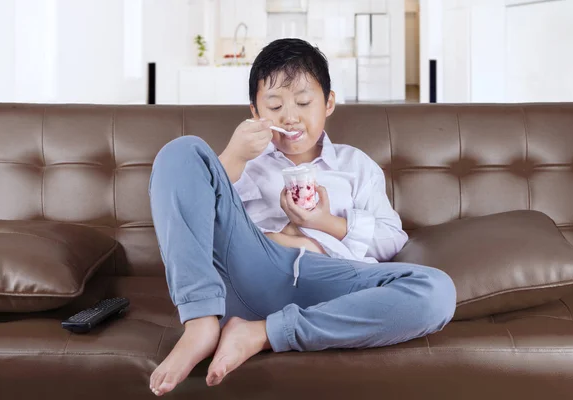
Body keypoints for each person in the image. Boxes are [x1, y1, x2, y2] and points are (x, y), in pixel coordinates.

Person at [148, 38, 456, 396]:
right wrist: (233, 157)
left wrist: (324, 223)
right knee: (182, 151)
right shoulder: (246, 165)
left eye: (304, 102)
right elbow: (195, 217)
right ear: (255, 112)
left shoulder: (355, 166)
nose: (289, 116)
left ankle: (262, 333)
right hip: (251, 270)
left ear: (328, 103)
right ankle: (200, 323)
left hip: (330, 284)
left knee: (436, 291)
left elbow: (392, 239)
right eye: (275, 105)